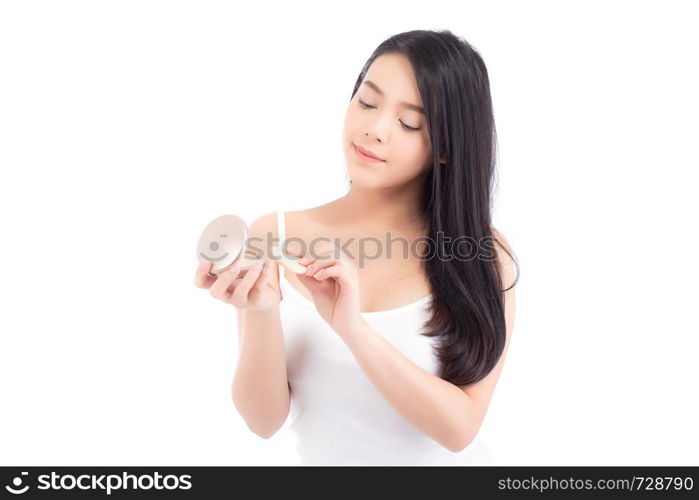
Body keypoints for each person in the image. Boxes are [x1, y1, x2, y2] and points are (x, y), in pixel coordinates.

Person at [194, 29, 518, 465]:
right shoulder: (274, 232)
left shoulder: (483, 253)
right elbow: (263, 421)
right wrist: (259, 309)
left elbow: (459, 429)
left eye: (410, 123)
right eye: (367, 101)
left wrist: (351, 328)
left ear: (445, 148)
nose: (375, 129)